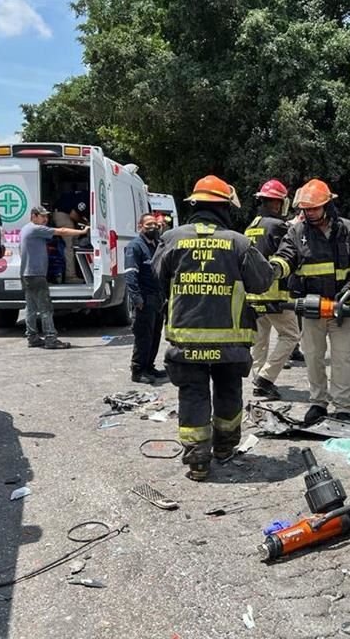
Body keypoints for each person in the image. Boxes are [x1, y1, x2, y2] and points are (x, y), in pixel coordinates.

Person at [153, 175, 274, 481]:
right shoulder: (239, 242)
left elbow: (156, 277)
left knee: (193, 396)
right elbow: (262, 282)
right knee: (228, 393)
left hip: (186, 340)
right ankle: (224, 449)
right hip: (230, 341)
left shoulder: (172, 239)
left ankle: (197, 461)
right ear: (224, 208)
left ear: (194, 205)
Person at [270, 179, 350, 425]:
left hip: (341, 308)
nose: (310, 213)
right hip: (312, 307)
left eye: (314, 208)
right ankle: (318, 403)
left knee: (341, 358)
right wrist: (274, 269)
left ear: (328, 205)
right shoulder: (297, 232)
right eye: (306, 209)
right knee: (313, 357)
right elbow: (287, 257)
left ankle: (342, 406)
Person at [244, 179, 299, 401]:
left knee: (260, 339)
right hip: (275, 293)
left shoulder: (252, 225)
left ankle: (258, 379)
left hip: (253, 294)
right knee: (291, 335)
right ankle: (266, 378)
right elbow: (285, 256)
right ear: (278, 203)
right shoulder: (277, 226)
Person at [20, 206, 90, 349]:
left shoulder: (26, 229)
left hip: (27, 274)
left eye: (46, 216)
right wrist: (83, 231)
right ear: (34, 216)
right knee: (46, 308)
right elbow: (62, 231)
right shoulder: (35, 228)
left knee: (31, 308)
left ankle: (32, 337)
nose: (45, 219)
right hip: (36, 275)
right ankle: (50, 338)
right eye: (42, 216)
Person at [126, 213, 166, 383]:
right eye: (148, 224)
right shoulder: (135, 247)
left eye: (155, 224)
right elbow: (130, 274)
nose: (153, 227)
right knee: (143, 336)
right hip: (144, 298)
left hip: (157, 298)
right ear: (140, 226)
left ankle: (149, 366)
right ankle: (138, 370)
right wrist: (136, 297)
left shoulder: (156, 245)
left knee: (155, 335)